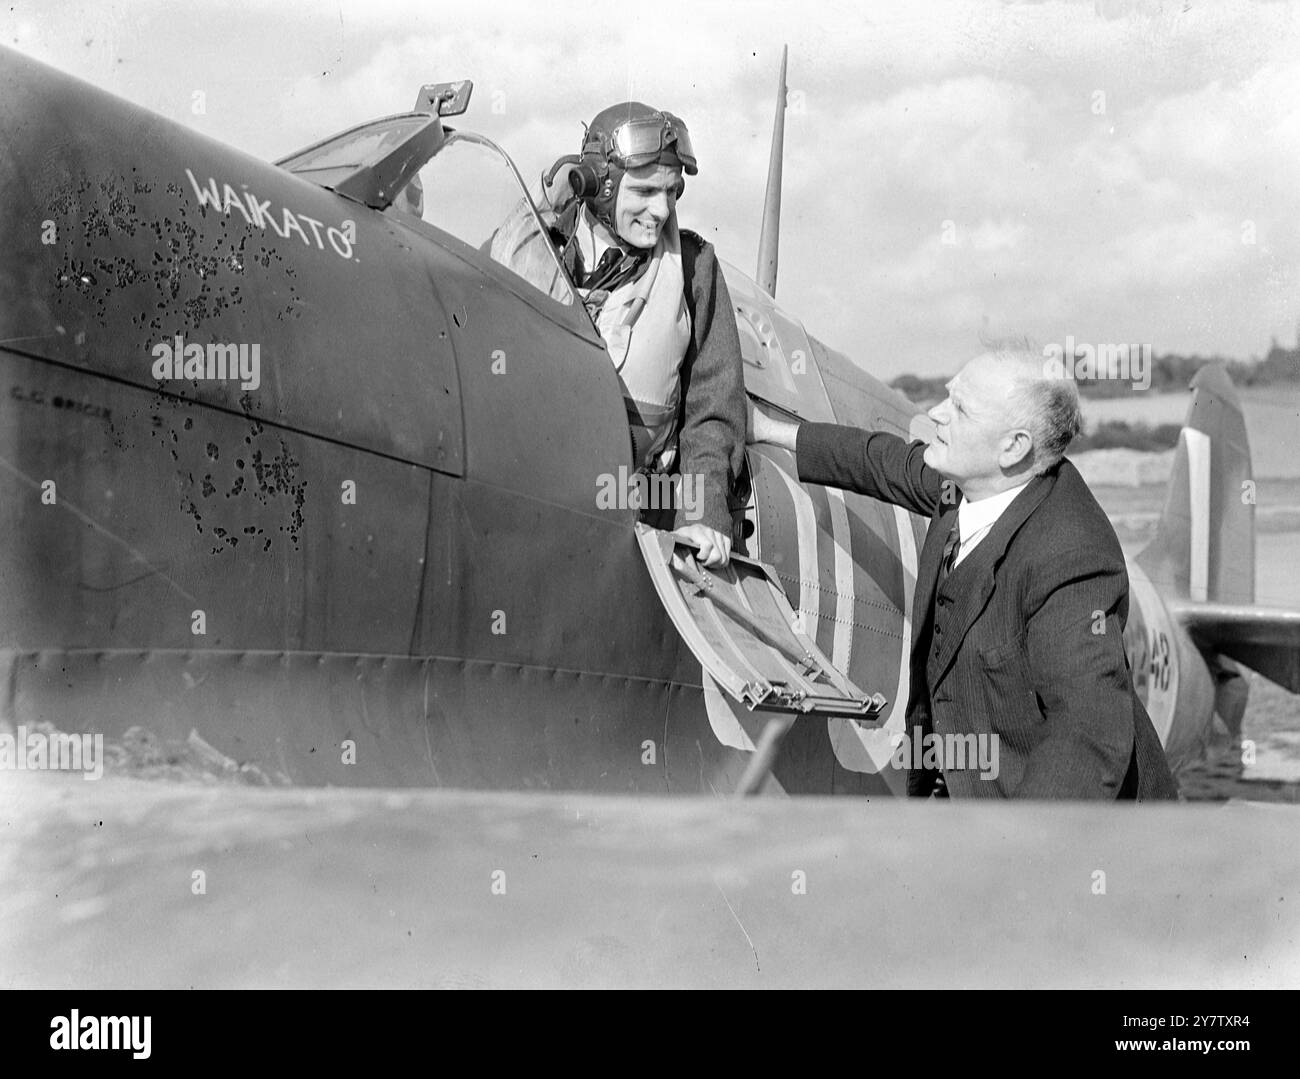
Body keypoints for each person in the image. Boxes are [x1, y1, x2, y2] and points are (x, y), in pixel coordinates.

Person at [748, 342, 1179, 799]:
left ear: (1013, 447)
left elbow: (1086, 737)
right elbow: (884, 462)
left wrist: (1008, 854)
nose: (935, 413)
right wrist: (768, 429)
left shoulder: (1071, 557)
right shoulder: (979, 483)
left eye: (960, 408)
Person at [493, 102, 747, 568]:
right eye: (646, 190)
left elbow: (712, 411)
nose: (661, 210)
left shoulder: (693, 268)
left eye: (672, 192)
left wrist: (704, 516)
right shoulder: (539, 247)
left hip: (631, 511)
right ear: (600, 185)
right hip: (524, 494)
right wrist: (542, 208)